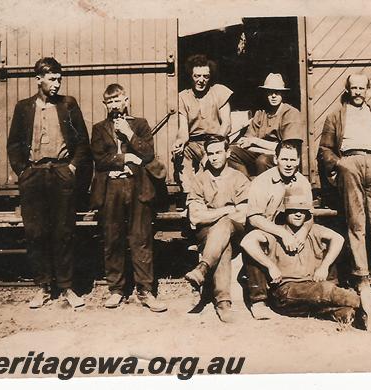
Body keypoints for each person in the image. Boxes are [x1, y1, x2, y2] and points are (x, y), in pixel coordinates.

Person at [317, 73, 371, 326]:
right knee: (356, 225)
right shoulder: (336, 115)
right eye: (353, 88)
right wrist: (339, 165)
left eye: (361, 88)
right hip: (350, 163)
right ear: (347, 90)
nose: (357, 92)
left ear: (368, 90)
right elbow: (325, 149)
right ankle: (362, 278)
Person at [7, 57, 90, 309]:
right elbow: (13, 145)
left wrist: (72, 168)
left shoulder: (68, 105)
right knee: (36, 233)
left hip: (61, 174)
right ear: (38, 80)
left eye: (59, 79)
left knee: (63, 233)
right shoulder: (23, 107)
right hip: (34, 176)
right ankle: (42, 287)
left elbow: (83, 143)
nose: (56, 84)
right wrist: (23, 172)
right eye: (52, 79)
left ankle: (66, 288)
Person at [241, 185, 371, 329]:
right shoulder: (277, 232)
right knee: (324, 290)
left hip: (310, 290)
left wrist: (324, 266)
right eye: (293, 211)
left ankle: (361, 316)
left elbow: (338, 239)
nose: (298, 214)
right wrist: (270, 265)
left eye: (302, 211)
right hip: (285, 292)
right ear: (284, 212)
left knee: (336, 308)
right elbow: (247, 241)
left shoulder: (313, 230)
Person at [89, 83, 166, 313]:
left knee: (140, 239)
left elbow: (148, 153)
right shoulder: (99, 128)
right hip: (111, 188)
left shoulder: (140, 125)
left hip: (137, 186)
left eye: (117, 100)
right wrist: (126, 157)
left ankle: (145, 290)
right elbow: (100, 159)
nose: (114, 105)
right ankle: (116, 290)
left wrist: (129, 135)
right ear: (106, 104)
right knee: (113, 239)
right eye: (109, 102)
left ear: (126, 100)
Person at [183, 135, 251, 323]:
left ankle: (203, 268)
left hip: (236, 231)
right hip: (207, 234)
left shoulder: (238, 178)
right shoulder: (200, 179)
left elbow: (243, 215)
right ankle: (223, 303)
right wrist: (227, 210)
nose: (214, 157)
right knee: (223, 243)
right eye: (210, 153)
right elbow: (196, 216)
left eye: (218, 152)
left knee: (225, 225)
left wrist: (215, 214)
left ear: (227, 153)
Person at [243, 139, 313, 319]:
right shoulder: (262, 181)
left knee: (317, 236)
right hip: (269, 229)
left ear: (298, 161)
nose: (289, 164)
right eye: (284, 159)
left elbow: (309, 216)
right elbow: (254, 218)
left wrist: (303, 234)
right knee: (253, 240)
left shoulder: (303, 183)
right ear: (276, 159)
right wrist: (281, 233)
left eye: (292, 160)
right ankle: (258, 301)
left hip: (293, 230)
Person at [172, 54, 233, 192]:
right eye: (197, 76)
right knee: (182, 153)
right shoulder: (183, 97)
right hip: (194, 143)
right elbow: (183, 130)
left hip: (217, 140)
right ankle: (190, 195)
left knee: (214, 159)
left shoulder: (219, 91)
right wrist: (180, 142)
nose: (201, 80)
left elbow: (226, 125)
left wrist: (213, 145)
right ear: (191, 76)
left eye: (205, 76)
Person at [228, 73, 304, 177]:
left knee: (262, 160)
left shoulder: (291, 113)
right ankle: (245, 185)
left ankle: (264, 190)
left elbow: (287, 149)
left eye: (277, 92)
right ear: (265, 93)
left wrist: (255, 141)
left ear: (283, 94)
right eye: (270, 92)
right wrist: (255, 145)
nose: (273, 96)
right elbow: (246, 141)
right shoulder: (261, 112)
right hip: (259, 153)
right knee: (230, 152)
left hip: (281, 159)